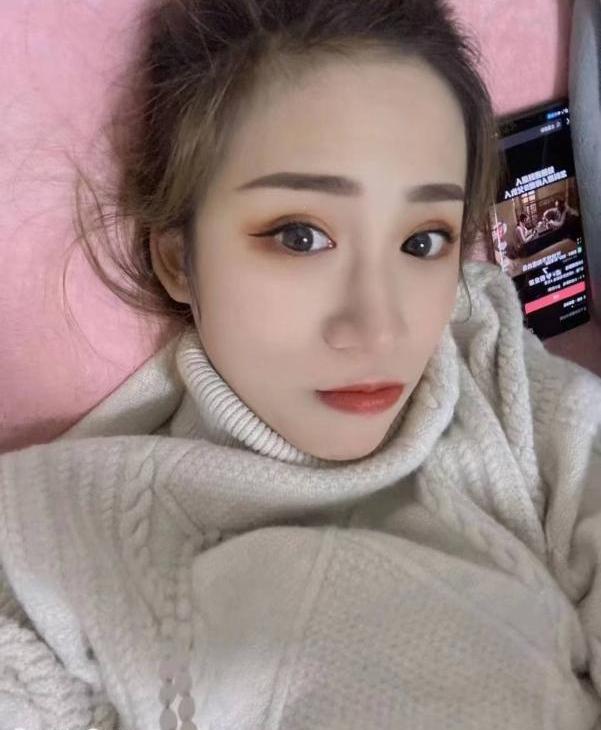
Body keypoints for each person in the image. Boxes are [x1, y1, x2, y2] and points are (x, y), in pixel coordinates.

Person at [1, 1, 601, 728]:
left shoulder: (509, 394)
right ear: (178, 259)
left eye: (422, 242)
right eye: (300, 237)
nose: (378, 327)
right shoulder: (54, 551)